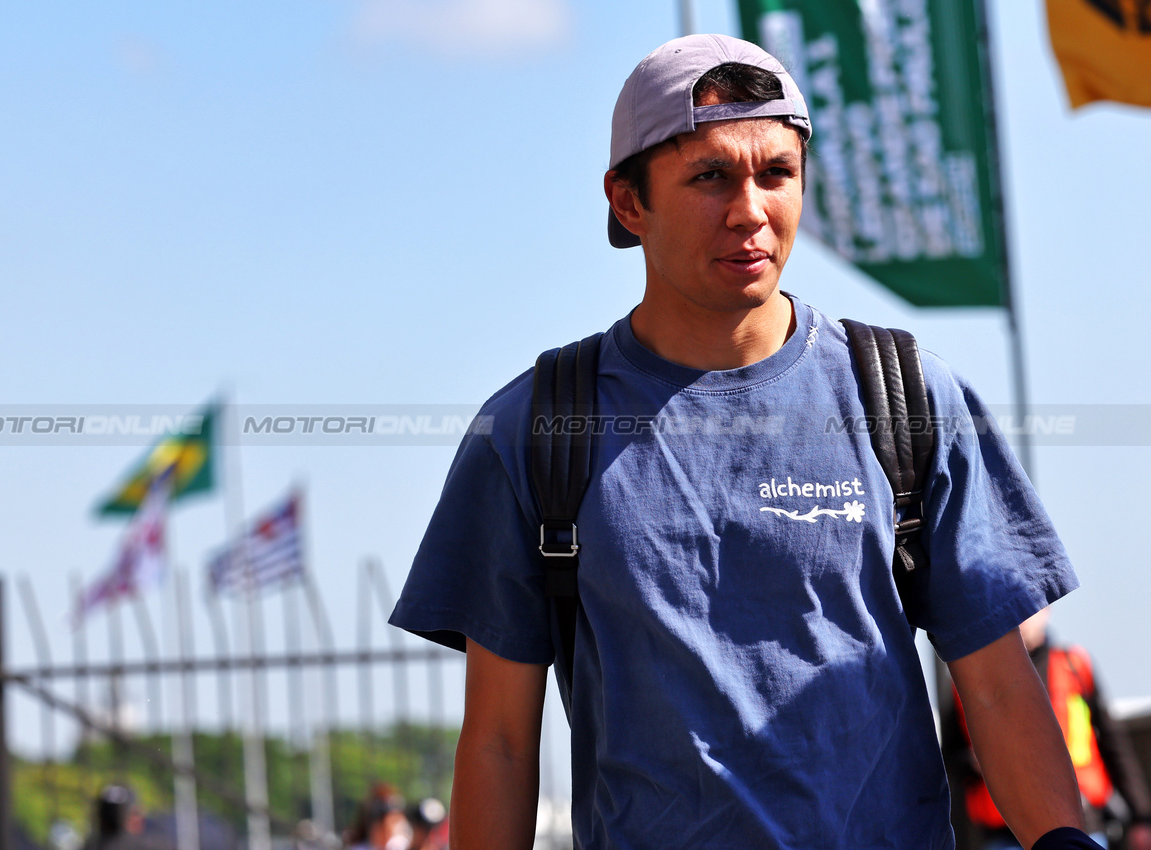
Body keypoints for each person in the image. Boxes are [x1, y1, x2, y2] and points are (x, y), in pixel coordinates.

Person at [390, 33, 1098, 850]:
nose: (750, 209)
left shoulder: (907, 399)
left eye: (776, 173)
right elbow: (500, 741)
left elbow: (1002, 690)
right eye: (709, 176)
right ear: (627, 202)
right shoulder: (532, 430)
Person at [947, 608, 1151, 849]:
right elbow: (948, 754)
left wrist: (1141, 817)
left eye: (1028, 610)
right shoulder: (971, 681)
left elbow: (1114, 743)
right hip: (1005, 835)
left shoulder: (1074, 665)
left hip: (1083, 826)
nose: (1021, 620)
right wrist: (973, 762)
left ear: (1047, 611)